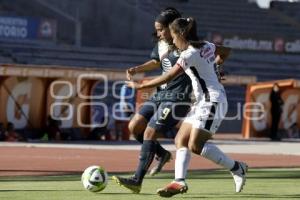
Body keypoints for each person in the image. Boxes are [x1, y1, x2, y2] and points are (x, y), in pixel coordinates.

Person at [126, 17, 248, 197]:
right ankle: (179, 182)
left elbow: (168, 77)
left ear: (181, 34)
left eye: (174, 36)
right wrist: (216, 66)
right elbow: (226, 51)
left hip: (213, 101)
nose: (173, 41)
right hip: (201, 101)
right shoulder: (206, 45)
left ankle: (238, 168)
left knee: (195, 145)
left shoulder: (188, 54)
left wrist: (140, 86)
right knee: (180, 140)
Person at [112, 8, 192, 193]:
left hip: (178, 96)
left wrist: (217, 67)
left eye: (161, 29)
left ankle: (136, 180)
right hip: (161, 94)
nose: (158, 33)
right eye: (156, 29)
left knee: (149, 132)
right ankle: (161, 153)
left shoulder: (187, 45)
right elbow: (157, 62)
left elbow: (207, 57)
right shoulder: (162, 43)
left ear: (172, 27)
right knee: (134, 127)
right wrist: (137, 69)